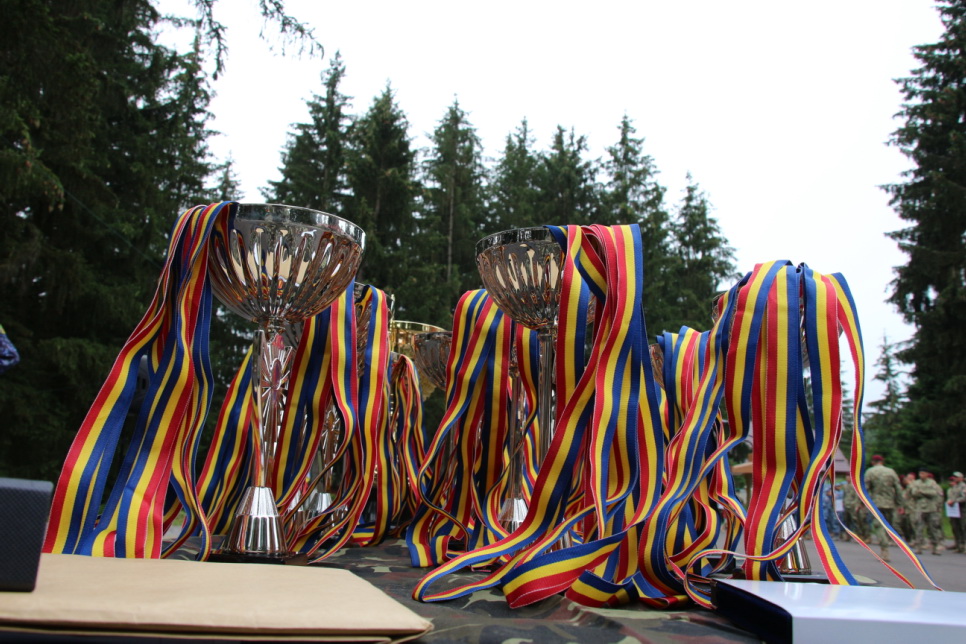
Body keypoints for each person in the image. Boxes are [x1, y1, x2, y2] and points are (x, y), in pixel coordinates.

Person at [863, 454, 902, 562]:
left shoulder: (870, 472)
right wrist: (900, 503)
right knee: (887, 525)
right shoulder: (891, 471)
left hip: (876, 503)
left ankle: (884, 549)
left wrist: (862, 502)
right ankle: (886, 542)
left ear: (873, 462)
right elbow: (898, 488)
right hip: (890, 503)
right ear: (882, 461)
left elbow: (865, 488)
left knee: (878, 526)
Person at [909, 467, 945, 555]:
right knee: (919, 528)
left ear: (927, 474)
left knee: (933, 528)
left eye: (923, 473)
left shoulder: (932, 483)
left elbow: (933, 493)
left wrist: (921, 491)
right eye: (920, 473)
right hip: (920, 508)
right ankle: (919, 546)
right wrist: (925, 492)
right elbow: (914, 493)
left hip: (931, 508)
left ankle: (935, 547)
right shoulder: (916, 483)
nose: (921, 475)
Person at [946, 471, 966, 554]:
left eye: (957, 477)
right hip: (954, 511)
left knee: (963, 527)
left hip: (962, 509)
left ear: (961, 478)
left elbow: (964, 497)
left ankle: (964, 545)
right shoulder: (954, 487)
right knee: (955, 527)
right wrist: (949, 501)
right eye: (954, 477)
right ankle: (958, 545)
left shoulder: (963, 486)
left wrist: (954, 501)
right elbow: (951, 497)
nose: (955, 478)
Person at [899, 472, 917, 544]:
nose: (907, 480)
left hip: (914, 508)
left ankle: (916, 539)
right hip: (907, 508)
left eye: (909, 478)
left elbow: (915, 493)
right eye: (907, 478)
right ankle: (909, 538)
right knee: (906, 524)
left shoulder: (915, 485)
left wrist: (910, 484)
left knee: (913, 524)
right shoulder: (906, 488)